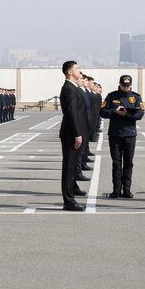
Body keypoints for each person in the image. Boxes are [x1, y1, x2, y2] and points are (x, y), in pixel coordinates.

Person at [100, 74, 144, 199]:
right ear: (119, 84)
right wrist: (115, 112)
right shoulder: (111, 96)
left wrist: (126, 114)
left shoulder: (136, 97)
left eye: (128, 86)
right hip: (115, 134)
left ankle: (127, 190)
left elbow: (140, 114)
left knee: (129, 163)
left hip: (130, 134)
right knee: (116, 163)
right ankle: (116, 190)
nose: (126, 88)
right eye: (124, 86)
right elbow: (102, 112)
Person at [59, 61, 87, 212]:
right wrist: (77, 134)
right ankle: (68, 200)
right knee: (69, 167)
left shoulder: (73, 88)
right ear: (69, 72)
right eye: (77, 68)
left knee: (71, 167)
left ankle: (70, 196)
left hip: (75, 133)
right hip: (71, 134)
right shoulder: (69, 88)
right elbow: (71, 113)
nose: (79, 70)